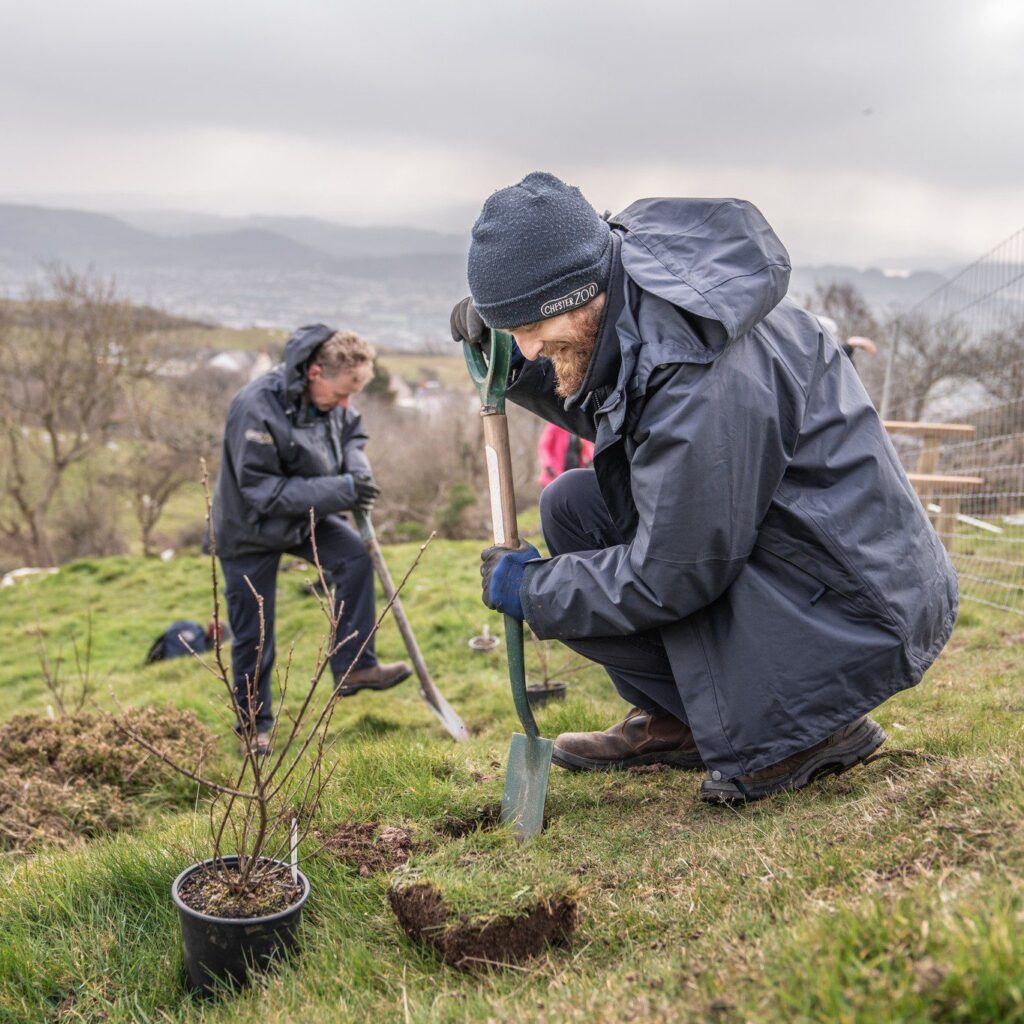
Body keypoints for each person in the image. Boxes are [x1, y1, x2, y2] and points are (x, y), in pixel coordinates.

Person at [451, 172, 958, 803]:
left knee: (573, 583)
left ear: (580, 288)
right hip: (802, 562)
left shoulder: (701, 368)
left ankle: (807, 732)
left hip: (848, 603)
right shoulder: (635, 291)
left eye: (534, 324)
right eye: (512, 329)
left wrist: (531, 588)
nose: (526, 344)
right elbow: (626, 403)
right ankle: (684, 720)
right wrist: (526, 371)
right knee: (574, 507)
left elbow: (673, 574)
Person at [212, 325, 411, 754]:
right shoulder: (256, 408)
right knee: (255, 631)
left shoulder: (333, 399)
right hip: (249, 529)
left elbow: (352, 431)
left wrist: (356, 469)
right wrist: (344, 490)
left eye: (353, 393)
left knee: (356, 558)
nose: (346, 402)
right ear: (315, 372)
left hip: (305, 516)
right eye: (342, 393)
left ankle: (354, 667)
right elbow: (262, 493)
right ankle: (254, 727)